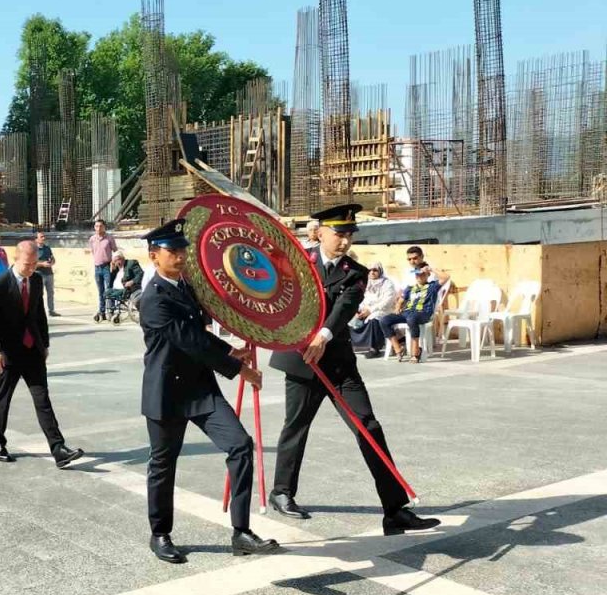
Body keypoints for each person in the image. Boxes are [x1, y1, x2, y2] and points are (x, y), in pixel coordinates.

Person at [268, 204, 440, 534]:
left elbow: (344, 308)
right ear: (320, 232)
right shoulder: (295, 262)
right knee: (297, 426)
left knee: (369, 428)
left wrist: (323, 335)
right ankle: (282, 492)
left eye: (349, 235)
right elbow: (275, 298)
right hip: (303, 361)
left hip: (337, 363)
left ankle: (394, 510)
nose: (345, 241)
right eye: (339, 234)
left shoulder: (355, 272)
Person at [137, 219, 279, 562]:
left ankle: (241, 532)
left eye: (183, 250)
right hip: (167, 393)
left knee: (240, 445)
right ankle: (160, 534)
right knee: (163, 464)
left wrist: (231, 350)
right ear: (155, 256)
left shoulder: (185, 287)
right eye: (173, 251)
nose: (182, 256)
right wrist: (239, 367)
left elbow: (200, 333)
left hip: (201, 390)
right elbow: (190, 342)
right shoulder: (153, 299)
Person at [0, 239, 83, 469]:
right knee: (3, 398)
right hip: (8, 353)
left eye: (34, 263)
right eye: (27, 264)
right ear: (15, 259)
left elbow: (39, 315)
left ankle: (58, 448)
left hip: (32, 351)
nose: (30, 268)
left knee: (42, 399)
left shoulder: (36, 280)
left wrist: (44, 344)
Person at [382, 266, 440, 363]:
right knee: (385, 320)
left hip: (423, 313)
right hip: (408, 313)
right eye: (417, 274)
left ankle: (416, 352)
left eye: (422, 274)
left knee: (412, 319)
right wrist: (398, 307)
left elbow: (446, 277)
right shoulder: (410, 288)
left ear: (428, 275)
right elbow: (401, 300)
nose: (419, 276)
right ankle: (398, 348)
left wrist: (431, 269)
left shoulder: (432, 286)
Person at [350, 262, 398, 356]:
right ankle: (355, 345)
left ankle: (374, 348)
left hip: (383, 310)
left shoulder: (387, 283)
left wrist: (370, 310)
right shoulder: (365, 283)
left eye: (375, 270)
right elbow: (361, 298)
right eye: (370, 270)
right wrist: (358, 310)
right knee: (350, 317)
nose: (372, 272)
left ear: (380, 271)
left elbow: (387, 301)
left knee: (374, 318)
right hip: (365, 310)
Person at [88, 218, 118, 321]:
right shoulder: (92, 239)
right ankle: (102, 311)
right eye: (96, 226)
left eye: (100, 226)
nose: (98, 228)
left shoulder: (109, 238)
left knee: (109, 289)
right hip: (97, 267)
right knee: (100, 291)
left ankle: (111, 310)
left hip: (107, 266)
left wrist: (113, 262)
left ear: (104, 227)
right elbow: (93, 252)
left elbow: (116, 251)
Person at [34, 231, 57, 316]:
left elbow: (52, 258)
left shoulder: (47, 248)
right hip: (39, 274)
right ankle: (39, 311)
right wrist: (42, 264)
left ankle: (51, 310)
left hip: (49, 273)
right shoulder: (34, 250)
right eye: (41, 237)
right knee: (39, 294)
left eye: (44, 236)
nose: (43, 238)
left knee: (50, 293)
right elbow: (32, 263)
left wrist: (52, 262)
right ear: (36, 239)